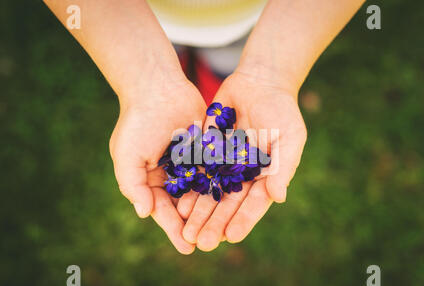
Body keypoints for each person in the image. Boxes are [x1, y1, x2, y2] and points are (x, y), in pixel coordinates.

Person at [44, 0, 365, 254]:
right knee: (169, 55)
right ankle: (175, 73)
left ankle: (209, 82)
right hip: (133, 19)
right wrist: (144, 78)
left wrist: (272, 72)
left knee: (227, 67)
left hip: (264, 19)